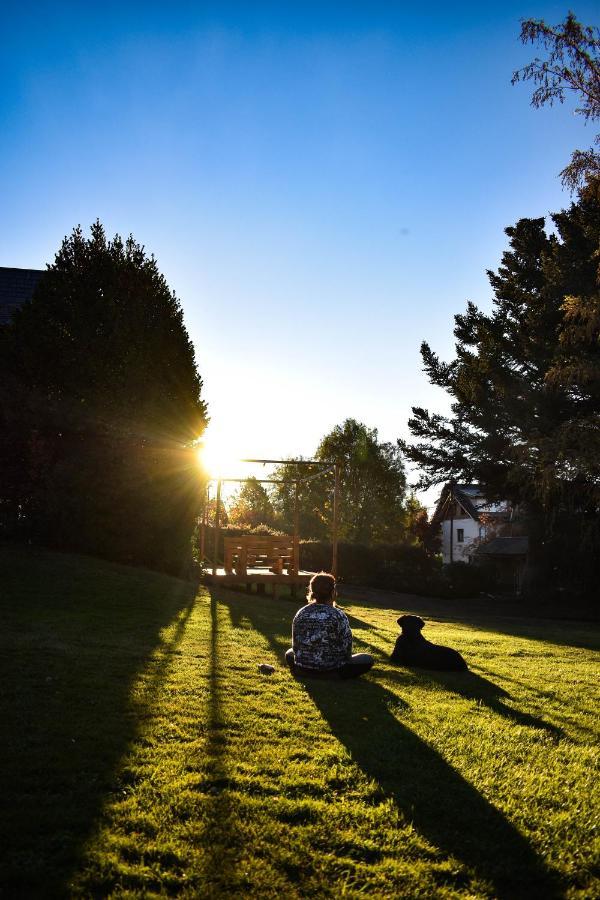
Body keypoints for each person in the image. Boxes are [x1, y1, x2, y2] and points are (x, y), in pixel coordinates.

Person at [285, 572, 374, 679]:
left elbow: (296, 645)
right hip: (332, 668)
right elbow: (347, 649)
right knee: (367, 659)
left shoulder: (301, 612)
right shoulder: (338, 615)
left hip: (303, 666)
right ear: (333, 592)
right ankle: (330, 675)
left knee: (289, 653)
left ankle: (305, 672)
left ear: (312, 592)